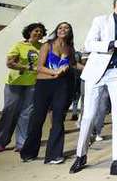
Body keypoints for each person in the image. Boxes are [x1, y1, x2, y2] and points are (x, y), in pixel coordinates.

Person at [69, 0, 117, 177]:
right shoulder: (100, 20)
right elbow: (88, 44)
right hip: (97, 73)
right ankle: (81, 155)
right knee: (88, 115)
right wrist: (113, 43)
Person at [20, 22, 79, 164]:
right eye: (60, 27)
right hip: (44, 85)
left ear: (70, 32)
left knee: (58, 119)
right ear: (56, 30)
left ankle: (54, 155)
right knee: (37, 119)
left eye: (66, 28)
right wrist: (55, 72)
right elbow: (39, 67)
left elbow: (73, 64)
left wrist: (92, 68)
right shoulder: (47, 45)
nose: (62, 30)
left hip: (62, 86)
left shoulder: (69, 48)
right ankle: (28, 152)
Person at [0, 23, 45, 153]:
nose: (38, 33)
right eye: (36, 31)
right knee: (9, 111)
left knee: (27, 114)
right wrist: (28, 67)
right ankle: (1, 142)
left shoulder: (43, 47)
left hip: (33, 84)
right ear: (29, 32)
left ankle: (21, 143)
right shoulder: (18, 45)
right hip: (14, 83)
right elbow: (10, 63)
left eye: (41, 31)